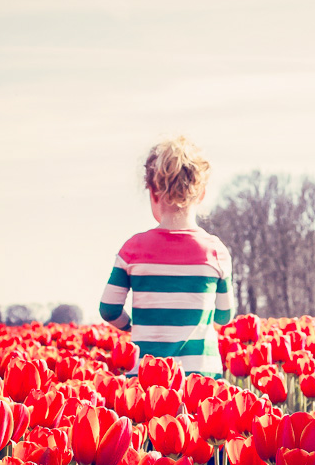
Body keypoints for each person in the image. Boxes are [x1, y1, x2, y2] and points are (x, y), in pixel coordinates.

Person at [99, 135, 234, 378]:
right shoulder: (215, 251)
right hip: (200, 376)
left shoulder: (133, 249)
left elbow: (108, 309)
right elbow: (225, 315)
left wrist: (131, 326)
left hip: (146, 376)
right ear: (201, 194)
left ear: (153, 193)